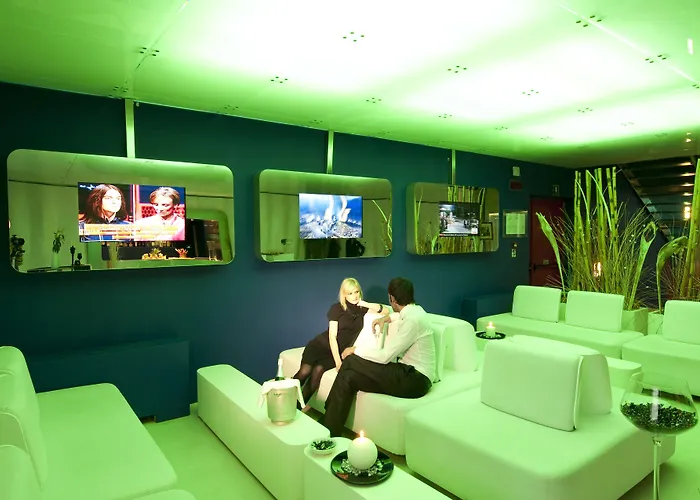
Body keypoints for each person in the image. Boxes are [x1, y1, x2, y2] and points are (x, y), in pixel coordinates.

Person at [320, 277, 435, 437]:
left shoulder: (413, 321)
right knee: (348, 376)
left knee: (351, 360)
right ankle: (331, 430)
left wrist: (355, 349)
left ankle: (327, 422)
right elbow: (398, 316)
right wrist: (385, 318)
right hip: (407, 373)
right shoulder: (415, 311)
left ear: (392, 298)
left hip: (415, 379)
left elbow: (384, 357)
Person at [294, 278, 385, 411]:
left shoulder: (362, 309)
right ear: (344, 295)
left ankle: (296, 409)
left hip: (337, 351)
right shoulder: (336, 309)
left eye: (356, 292)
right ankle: (282, 396)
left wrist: (365, 303)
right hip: (321, 346)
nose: (354, 296)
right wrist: (338, 361)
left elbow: (385, 311)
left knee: (318, 372)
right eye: (350, 293)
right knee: (304, 372)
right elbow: (332, 336)